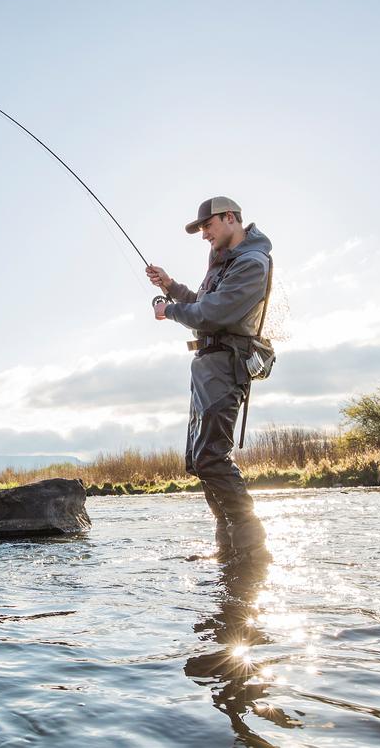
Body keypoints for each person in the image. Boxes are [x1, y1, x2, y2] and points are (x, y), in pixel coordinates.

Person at [146, 196, 272, 565]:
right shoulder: (225, 263)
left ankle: (252, 546)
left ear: (230, 218)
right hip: (208, 369)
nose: (204, 234)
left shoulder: (251, 263)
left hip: (224, 367)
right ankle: (229, 546)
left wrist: (168, 310)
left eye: (208, 226)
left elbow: (213, 313)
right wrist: (170, 286)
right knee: (201, 460)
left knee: (212, 458)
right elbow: (202, 303)